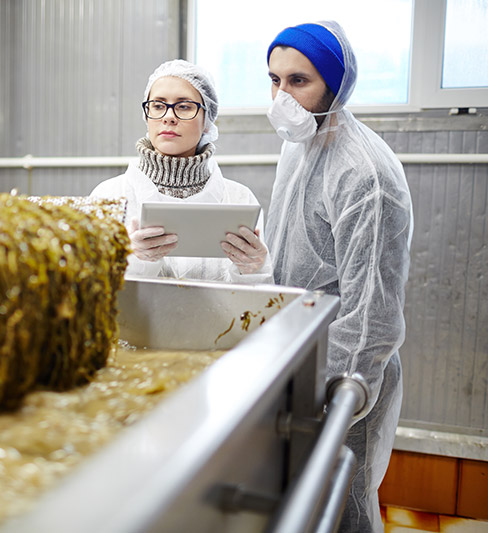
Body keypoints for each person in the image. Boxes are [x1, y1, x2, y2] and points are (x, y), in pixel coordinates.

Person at [264, 21, 413, 532]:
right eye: (274, 80)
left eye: (298, 81)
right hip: (302, 358)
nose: (282, 96)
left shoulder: (363, 174)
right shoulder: (300, 144)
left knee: (343, 508)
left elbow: (372, 313)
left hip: (346, 374)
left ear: (334, 84)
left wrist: (342, 393)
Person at [91, 59, 272, 283]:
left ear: (207, 121)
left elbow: (258, 303)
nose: (168, 116)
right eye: (158, 105)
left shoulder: (239, 199)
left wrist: (254, 269)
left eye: (184, 106)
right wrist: (130, 259)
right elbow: (88, 288)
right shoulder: (109, 195)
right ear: (147, 116)